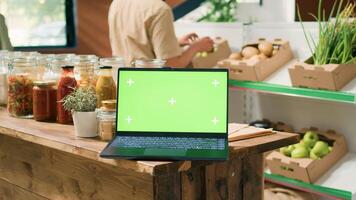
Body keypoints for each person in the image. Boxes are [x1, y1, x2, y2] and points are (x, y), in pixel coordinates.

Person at [108, 0, 214, 68]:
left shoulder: (117, 3)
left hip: (121, 81)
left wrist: (174, 43)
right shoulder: (160, 9)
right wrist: (196, 47)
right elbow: (171, 65)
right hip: (147, 84)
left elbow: (133, 42)